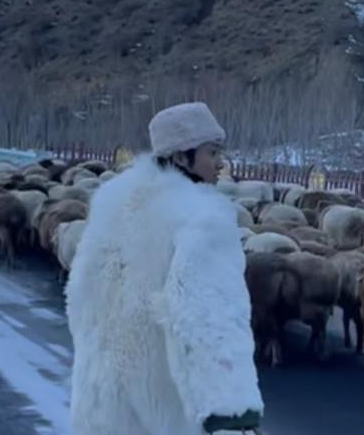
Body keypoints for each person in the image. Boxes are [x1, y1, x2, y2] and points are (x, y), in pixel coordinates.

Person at [66, 102, 264, 434]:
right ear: (179, 156)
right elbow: (207, 318)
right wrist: (232, 414)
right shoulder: (203, 217)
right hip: (162, 409)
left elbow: (81, 297)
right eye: (211, 153)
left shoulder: (112, 202)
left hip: (101, 403)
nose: (221, 164)